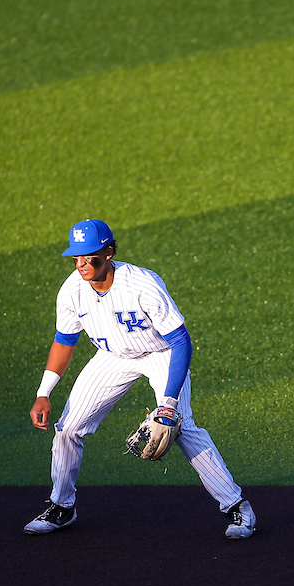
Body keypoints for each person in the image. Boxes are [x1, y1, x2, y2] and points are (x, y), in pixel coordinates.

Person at [26, 218, 255, 539]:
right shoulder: (71, 291)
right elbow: (64, 341)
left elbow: (181, 342)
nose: (81, 264)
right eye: (76, 257)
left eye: (89, 257)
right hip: (112, 357)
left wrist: (168, 405)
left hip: (161, 353)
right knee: (68, 428)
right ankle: (62, 506)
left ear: (108, 252)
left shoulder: (142, 285)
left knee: (180, 425)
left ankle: (236, 506)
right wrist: (44, 392)